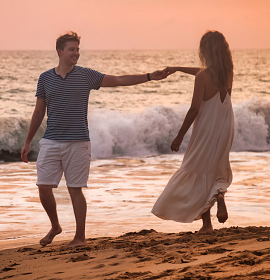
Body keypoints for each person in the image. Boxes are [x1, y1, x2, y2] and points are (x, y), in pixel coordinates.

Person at [21, 31, 169, 248]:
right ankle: (55, 226)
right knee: (43, 187)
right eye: (72, 49)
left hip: (78, 142)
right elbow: (38, 112)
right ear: (59, 51)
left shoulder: (86, 76)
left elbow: (118, 80)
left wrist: (149, 76)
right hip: (51, 141)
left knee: (75, 189)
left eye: (78, 49)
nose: (76, 53)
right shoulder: (45, 78)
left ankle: (80, 237)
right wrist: (27, 142)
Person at [152, 30, 235, 233]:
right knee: (214, 168)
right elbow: (202, 72)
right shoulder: (227, 73)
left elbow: (194, 109)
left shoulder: (202, 78)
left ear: (205, 51)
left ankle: (207, 224)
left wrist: (179, 136)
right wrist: (178, 69)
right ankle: (219, 195)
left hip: (206, 128)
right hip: (225, 127)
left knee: (197, 169)